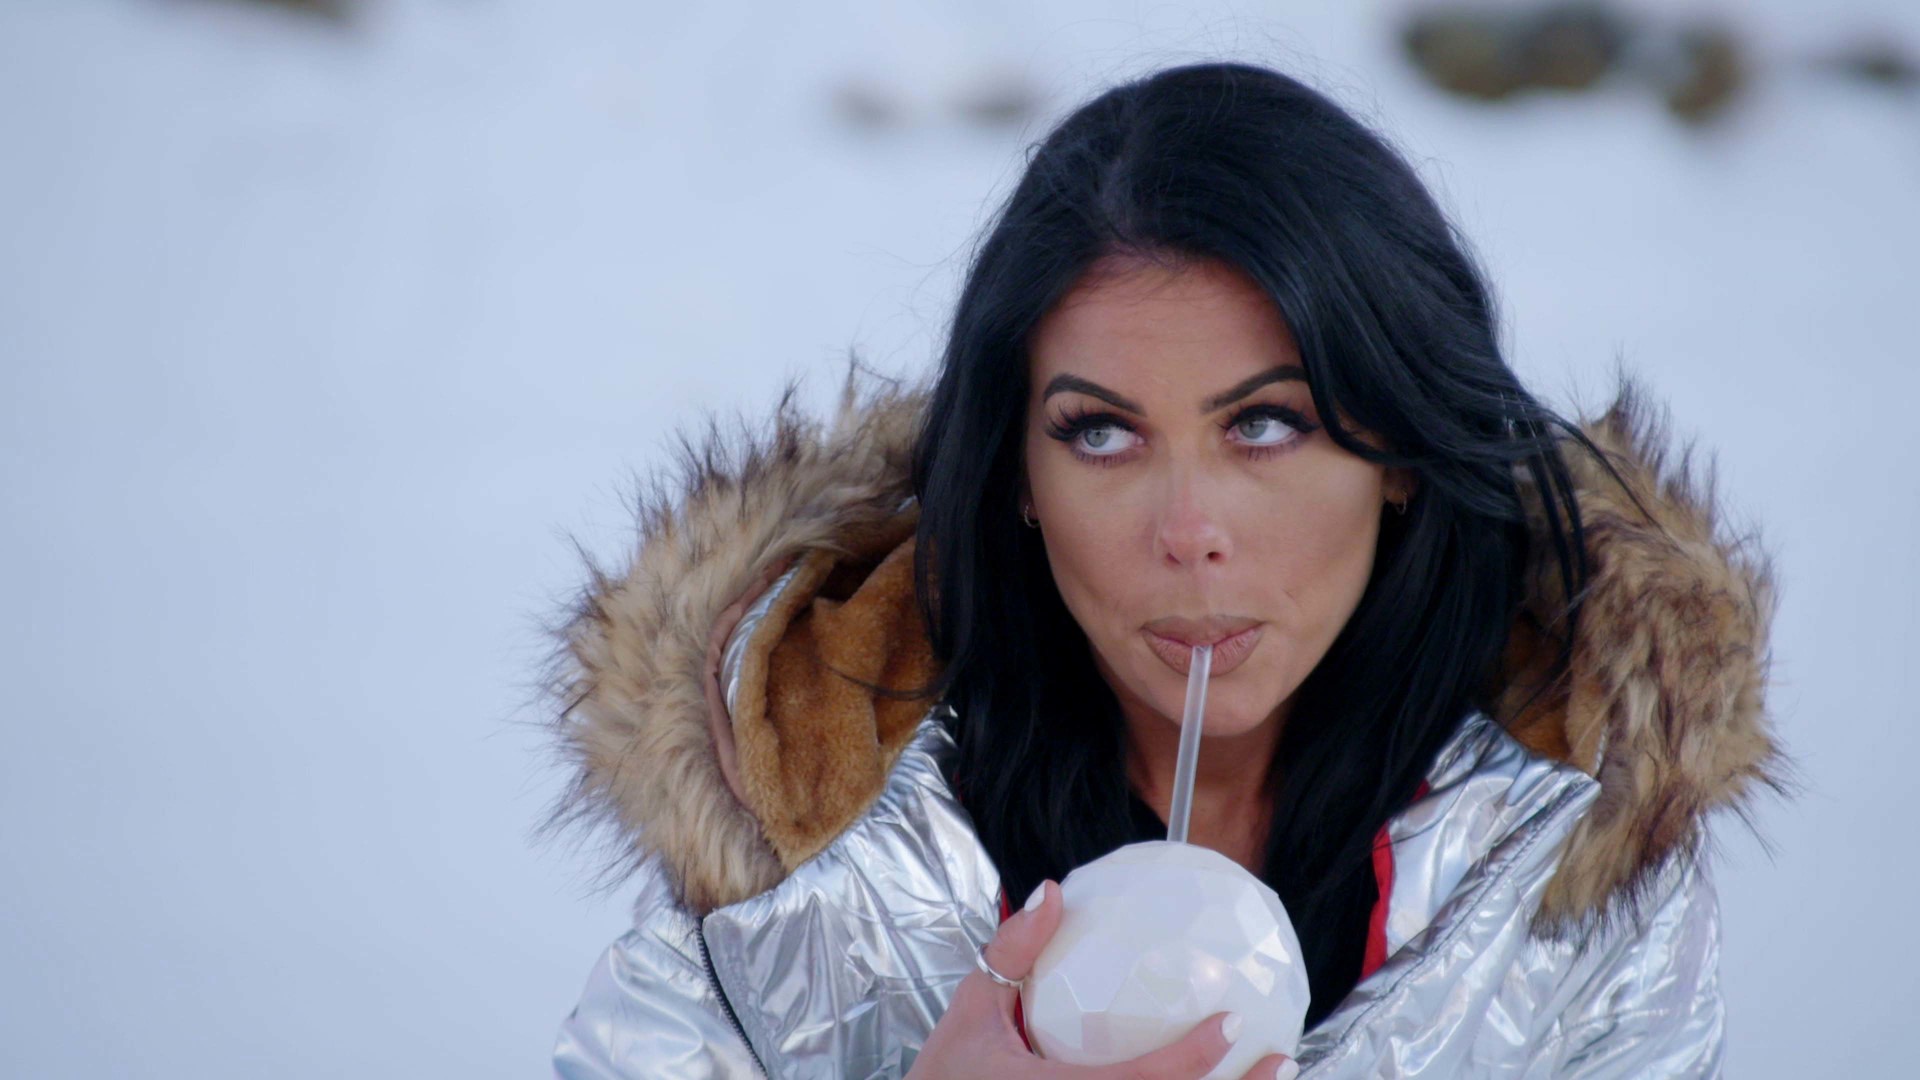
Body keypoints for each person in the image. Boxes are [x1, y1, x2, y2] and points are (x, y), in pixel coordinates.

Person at [544, 61, 1781, 1079]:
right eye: (1101, 434)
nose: (1188, 530)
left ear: (1399, 452)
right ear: (1018, 478)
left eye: (1266, 424)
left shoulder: (1576, 842)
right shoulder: (802, 815)